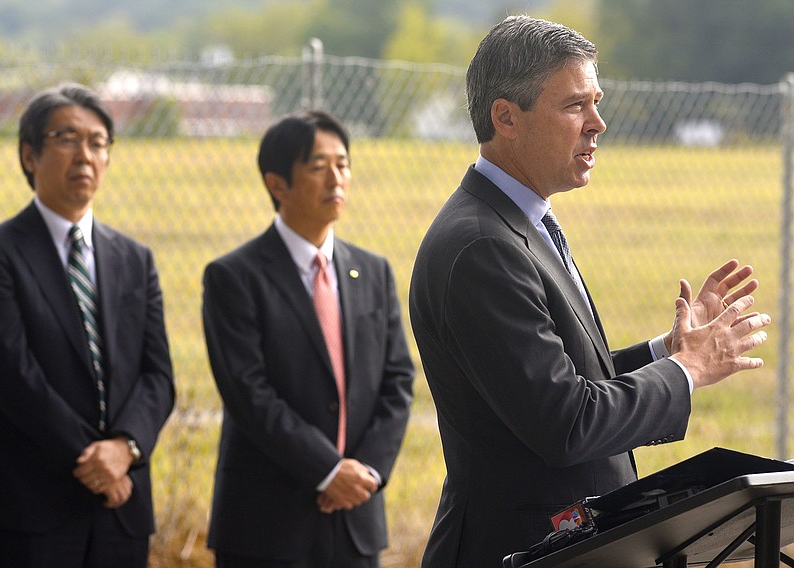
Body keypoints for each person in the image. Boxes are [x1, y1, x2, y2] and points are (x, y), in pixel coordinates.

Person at [408, 15, 772, 568]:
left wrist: (666, 355)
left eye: (596, 101)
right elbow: (566, 421)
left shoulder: (518, 222)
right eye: (575, 105)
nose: (598, 123)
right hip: (518, 549)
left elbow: (562, 385)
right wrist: (689, 371)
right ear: (506, 116)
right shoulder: (482, 246)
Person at [203, 110, 414, 568]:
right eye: (319, 166)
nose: (336, 178)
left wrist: (367, 474)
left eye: (343, 164)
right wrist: (326, 469)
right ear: (277, 184)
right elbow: (248, 394)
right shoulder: (234, 277)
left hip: (355, 518)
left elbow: (398, 380)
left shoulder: (372, 272)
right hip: (266, 525)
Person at [0, 83, 175, 567]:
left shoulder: (134, 259)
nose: (86, 155)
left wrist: (125, 449)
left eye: (98, 142)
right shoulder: (3, 254)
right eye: (67, 138)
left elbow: (158, 376)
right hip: (34, 506)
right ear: (29, 155)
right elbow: (13, 374)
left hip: (122, 510)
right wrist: (94, 461)